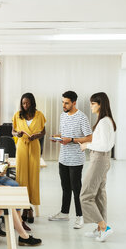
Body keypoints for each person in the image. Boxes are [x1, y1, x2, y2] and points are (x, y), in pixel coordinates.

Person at [49, 91, 92, 229]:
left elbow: (89, 138)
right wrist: (58, 137)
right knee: (65, 187)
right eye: (63, 102)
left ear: (74, 102)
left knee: (76, 189)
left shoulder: (82, 117)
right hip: (63, 158)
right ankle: (64, 213)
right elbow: (65, 134)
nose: (64, 105)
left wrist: (72, 140)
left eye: (66, 102)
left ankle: (80, 216)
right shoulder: (63, 116)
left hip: (76, 160)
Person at [79, 92, 116, 242]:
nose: (91, 106)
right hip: (102, 159)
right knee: (99, 194)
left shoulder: (104, 122)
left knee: (86, 195)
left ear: (101, 104)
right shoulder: (106, 121)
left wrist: (87, 145)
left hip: (99, 159)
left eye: (93, 103)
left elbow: (105, 145)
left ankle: (104, 227)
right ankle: (101, 229)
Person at [12, 93, 46, 223]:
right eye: (23, 103)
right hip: (21, 146)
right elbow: (12, 131)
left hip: (34, 146)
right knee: (21, 176)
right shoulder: (17, 115)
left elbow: (44, 131)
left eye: (27, 103)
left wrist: (36, 136)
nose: (25, 105)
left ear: (32, 102)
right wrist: (18, 134)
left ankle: (30, 207)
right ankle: (24, 206)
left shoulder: (39, 115)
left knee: (33, 177)